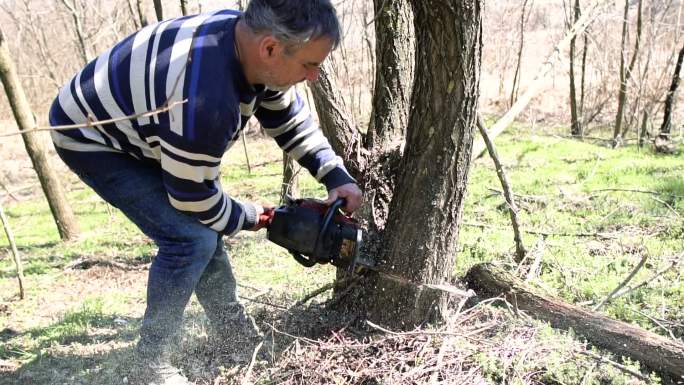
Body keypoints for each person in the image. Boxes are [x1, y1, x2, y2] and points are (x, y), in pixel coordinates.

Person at [48, 0, 362, 384]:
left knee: (199, 232)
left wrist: (335, 175)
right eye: (309, 65)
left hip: (149, 127)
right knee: (191, 238)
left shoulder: (248, 44)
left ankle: (231, 329)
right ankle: (151, 361)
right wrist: (254, 217)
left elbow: (287, 117)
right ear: (270, 48)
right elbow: (193, 200)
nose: (313, 76)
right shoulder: (206, 100)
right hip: (92, 135)